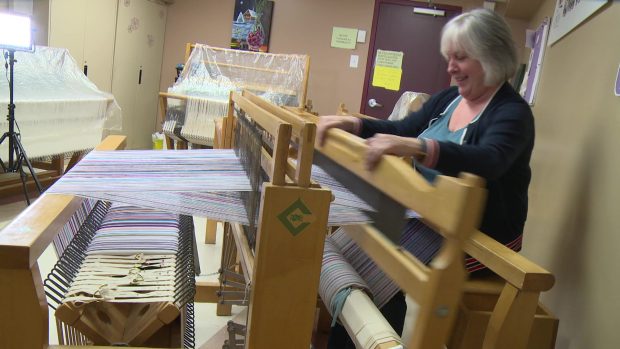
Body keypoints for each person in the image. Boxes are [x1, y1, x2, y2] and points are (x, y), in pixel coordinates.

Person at [318, 8, 535, 348]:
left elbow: (490, 161)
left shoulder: (513, 113)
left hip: (477, 235)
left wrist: (420, 147)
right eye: (449, 57)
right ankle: (351, 337)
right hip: (426, 216)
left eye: (460, 57)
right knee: (363, 249)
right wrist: (357, 125)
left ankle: (367, 340)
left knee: (387, 269)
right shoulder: (449, 100)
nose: (450, 67)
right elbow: (401, 129)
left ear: (490, 56)